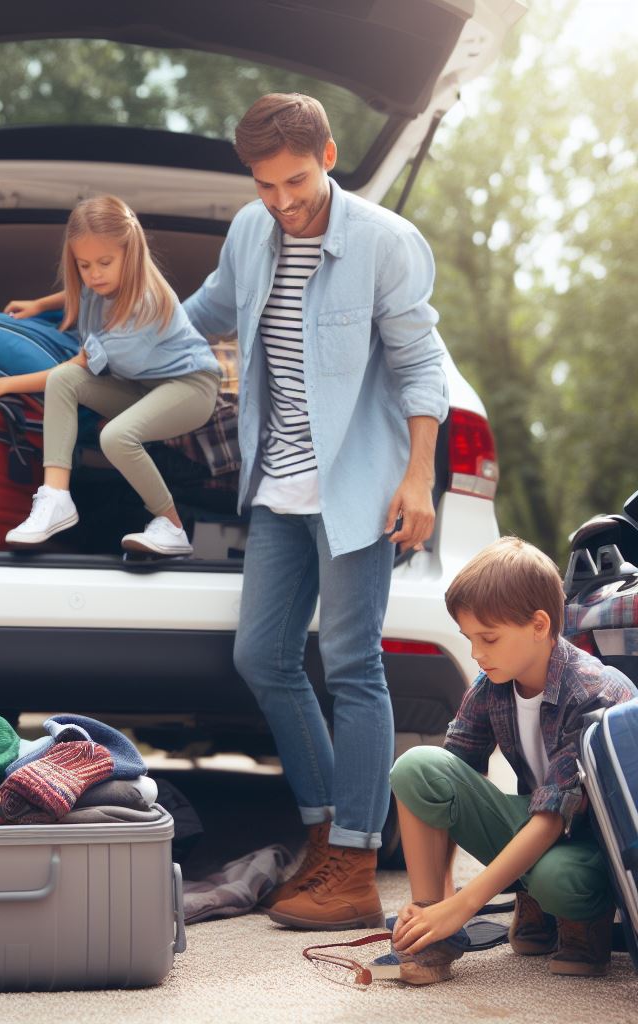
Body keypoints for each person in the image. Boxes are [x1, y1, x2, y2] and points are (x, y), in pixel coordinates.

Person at [182, 93, 450, 929]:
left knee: (352, 661)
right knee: (262, 654)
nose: (283, 201)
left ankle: (359, 866)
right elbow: (208, 311)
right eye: (266, 186)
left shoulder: (384, 242)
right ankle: (328, 831)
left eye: (295, 181)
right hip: (277, 484)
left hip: (359, 485)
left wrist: (417, 478)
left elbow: (421, 364)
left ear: (328, 156)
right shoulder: (250, 231)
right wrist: (106, 341)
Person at [386, 537, 635, 983]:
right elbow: (444, 789)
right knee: (417, 768)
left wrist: (464, 905)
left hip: (591, 840)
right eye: (469, 639)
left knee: (561, 878)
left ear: (540, 624)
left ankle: (581, 923)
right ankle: (436, 940)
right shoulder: (492, 684)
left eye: (489, 638)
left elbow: (552, 820)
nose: (476, 654)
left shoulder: (590, 691)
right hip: (536, 823)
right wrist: (438, 909)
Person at [0, 194, 221, 557]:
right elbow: (79, 291)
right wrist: (40, 304)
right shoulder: (100, 283)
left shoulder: (144, 307)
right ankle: (56, 498)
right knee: (61, 385)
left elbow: (77, 364)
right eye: (84, 264)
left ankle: (172, 526)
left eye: (105, 262)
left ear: (131, 254)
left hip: (191, 387)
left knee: (115, 436)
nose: (94, 274)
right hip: (142, 387)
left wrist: (0, 386)